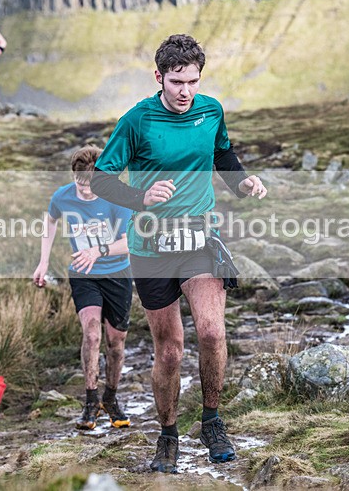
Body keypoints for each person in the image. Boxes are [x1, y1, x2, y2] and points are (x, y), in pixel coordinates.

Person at [90, 34, 267, 473]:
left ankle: (211, 421)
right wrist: (141, 196)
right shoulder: (136, 121)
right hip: (151, 247)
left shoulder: (211, 110)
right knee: (169, 351)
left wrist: (241, 182)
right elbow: (100, 180)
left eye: (192, 80)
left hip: (200, 240)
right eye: (176, 82)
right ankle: (168, 435)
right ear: (159, 78)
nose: (186, 91)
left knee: (211, 332)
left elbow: (223, 155)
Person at [33, 146, 134, 430]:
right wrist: (43, 262)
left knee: (116, 343)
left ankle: (110, 398)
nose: (87, 191)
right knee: (91, 334)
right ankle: (91, 401)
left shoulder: (117, 197)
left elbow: (130, 242)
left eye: (92, 185)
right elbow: (50, 221)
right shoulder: (62, 196)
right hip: (83, 275)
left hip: (117, 274)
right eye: (81, 184)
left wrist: (98, 251)